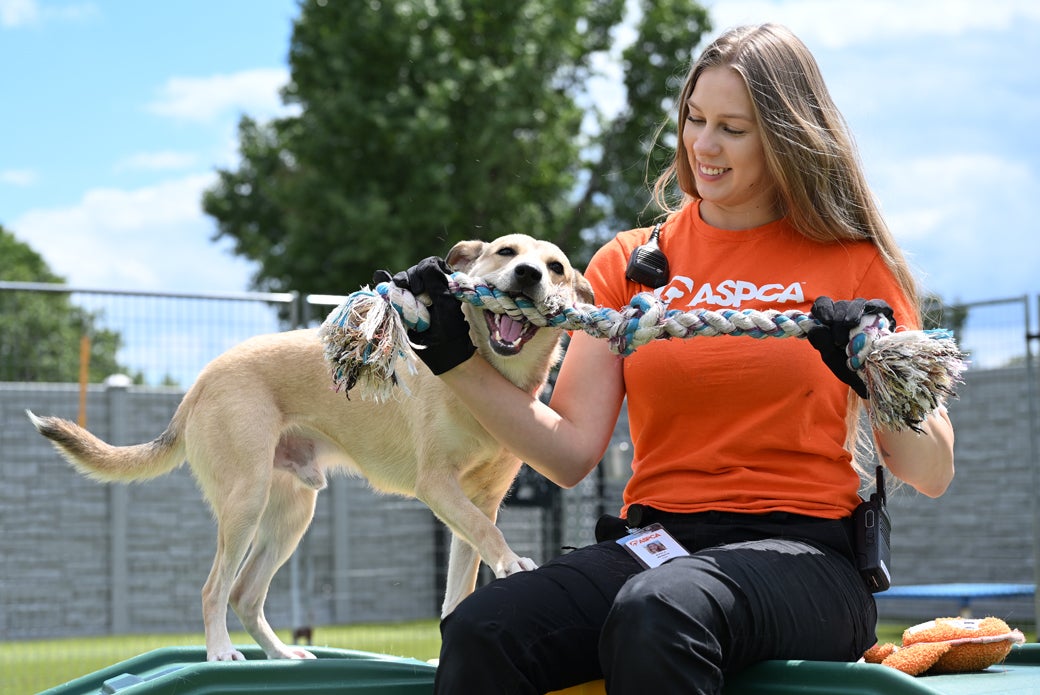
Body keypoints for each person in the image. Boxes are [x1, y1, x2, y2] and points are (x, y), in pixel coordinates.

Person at [390, 23, 955, 695]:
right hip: (660, 543)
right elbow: (569, 451)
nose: (703, 145)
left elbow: (932, 468)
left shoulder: (853, 263)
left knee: (657, 610)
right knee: (484, 629)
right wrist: (453, 357)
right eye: (694, 118)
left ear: (785, 135)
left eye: (733, 129)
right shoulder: (632, 262)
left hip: (808, 556)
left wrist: (869, 367)